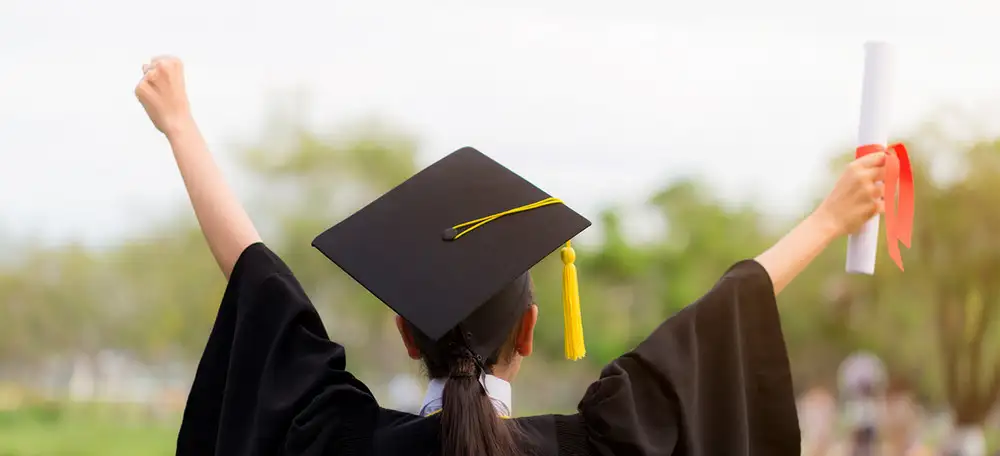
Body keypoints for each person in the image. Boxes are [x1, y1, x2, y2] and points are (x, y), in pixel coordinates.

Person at [135, 56, 890, 456]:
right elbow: (723, 316)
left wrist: (181, 127)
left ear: (405, 331)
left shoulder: (337, 438)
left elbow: (258, 278)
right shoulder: (601, 444)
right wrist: (829, 218)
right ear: (529, 332)